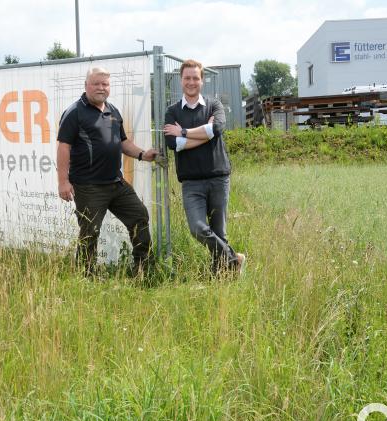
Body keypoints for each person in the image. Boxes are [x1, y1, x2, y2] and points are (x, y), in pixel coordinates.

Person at [56, 66, 159, 276]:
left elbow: (123, 143)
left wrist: (143, 154)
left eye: (105, 84)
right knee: (90, 232)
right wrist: (63, 182)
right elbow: (63, 147)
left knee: (139, 216)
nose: (101, 88)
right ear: (86, 85)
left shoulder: (113, 110)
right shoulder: (74, 112)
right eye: (96, 84)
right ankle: (87, 276)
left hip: (115, 183)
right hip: (88, 187)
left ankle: (143, 270)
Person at [163, 59, 246, 275]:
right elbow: (173, 143)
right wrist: (204, 134)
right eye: (187, 78)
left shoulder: (214, 105)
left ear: (202, 80)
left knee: (219, 231)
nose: (191, 82)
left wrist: (184, 133)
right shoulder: (172, 112)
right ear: (181, 80)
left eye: (195, 78)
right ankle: (234, 259)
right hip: (191, 182)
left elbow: (216, 129)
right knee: (198, 228)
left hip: (218, 178)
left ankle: (221, 277)